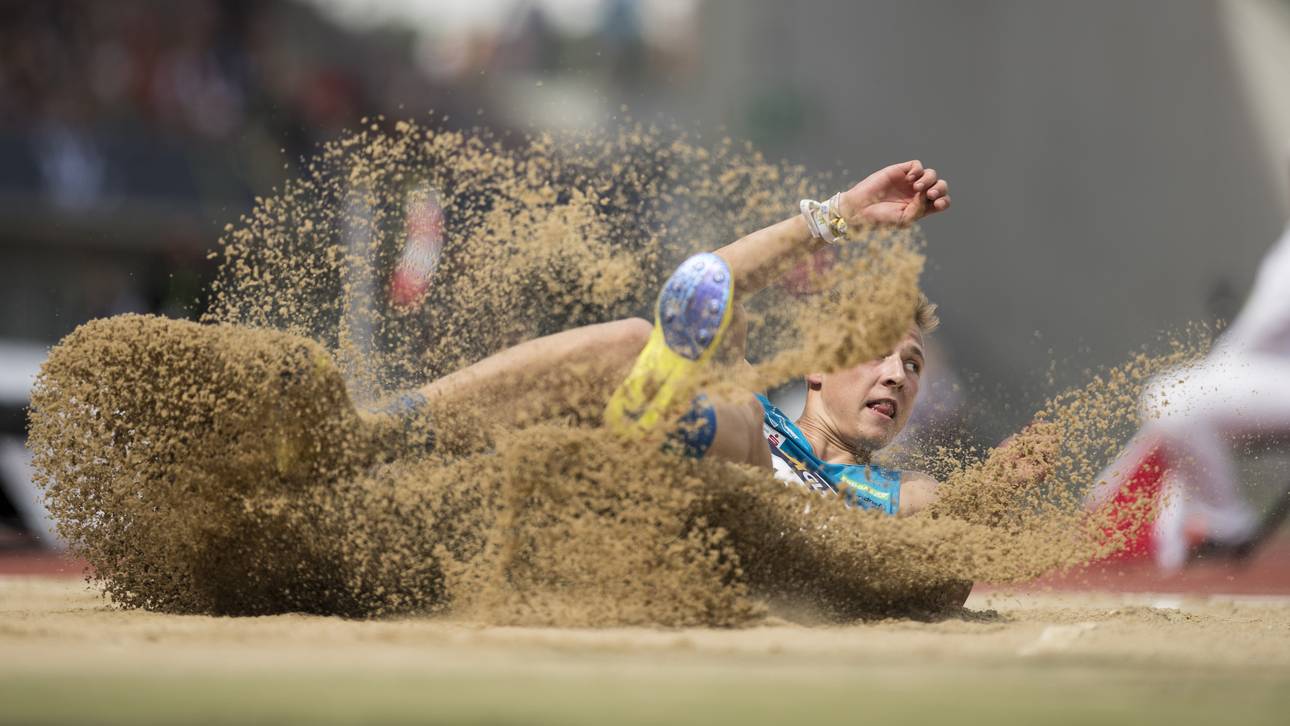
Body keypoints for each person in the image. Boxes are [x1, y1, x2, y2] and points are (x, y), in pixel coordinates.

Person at [373, 160, 953, 516]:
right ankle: (384, 429)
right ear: (819, 365)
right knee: (634, 339)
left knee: (742, 428)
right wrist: (839, 214)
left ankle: (662, 414)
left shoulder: (900, 492)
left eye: (914, 365)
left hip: (746, 539)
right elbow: (715, 281)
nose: (898, 375)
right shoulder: (761, 414)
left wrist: (1000, 492)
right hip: (636, 494)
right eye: (880, 352)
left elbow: (940, 573)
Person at [1093, 220, 1290, 571]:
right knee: (1178, 401)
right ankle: (1173, 541)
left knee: (1177, 399)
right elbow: (1255, 339)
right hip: (1268, 373)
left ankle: (1224, 525)